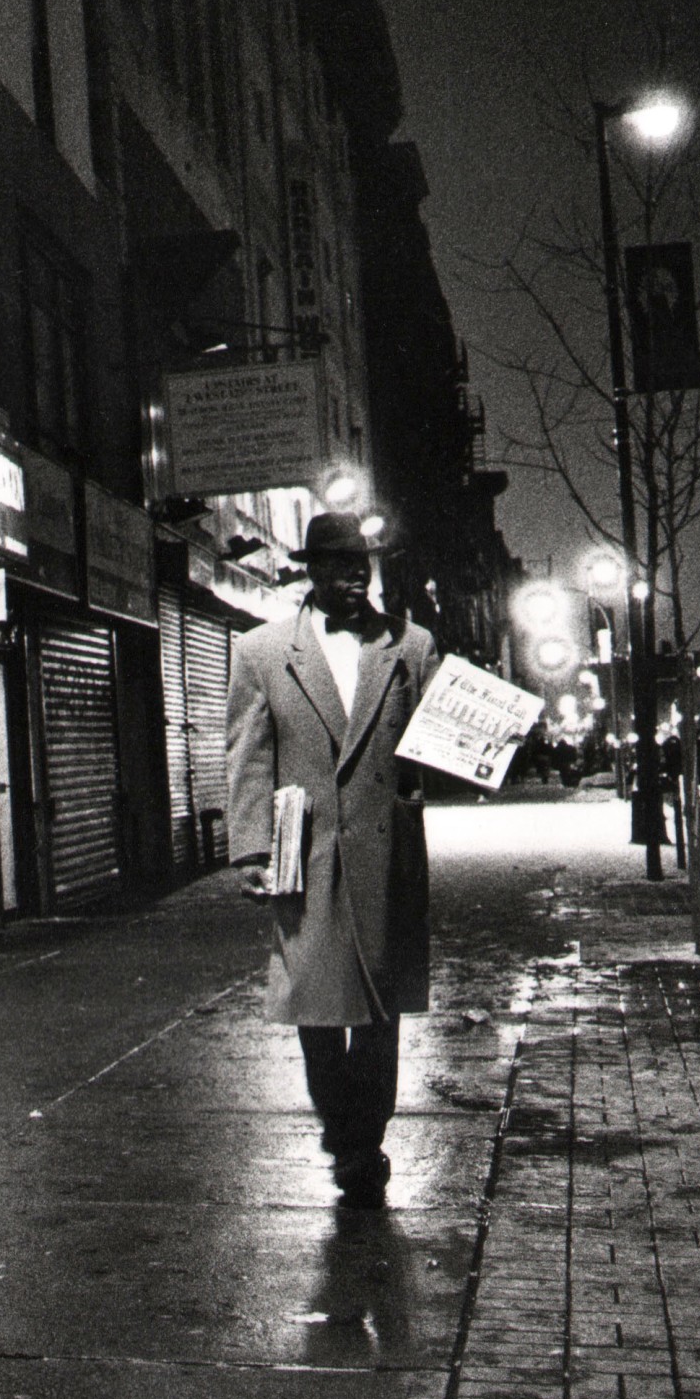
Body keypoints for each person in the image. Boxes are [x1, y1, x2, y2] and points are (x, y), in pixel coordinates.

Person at [225, 511, 441, 1209]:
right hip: (305, 854)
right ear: (310, 571)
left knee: (379, 1013)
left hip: (385, 853)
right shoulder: (261, 651)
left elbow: (438, 747)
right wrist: (250, 848)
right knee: (316, 1009)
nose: (351, 577)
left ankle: (362, 1143)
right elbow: (249, 756)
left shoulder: (411, 645)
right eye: (336, 565)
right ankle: (344, 1131)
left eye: (360, 565)